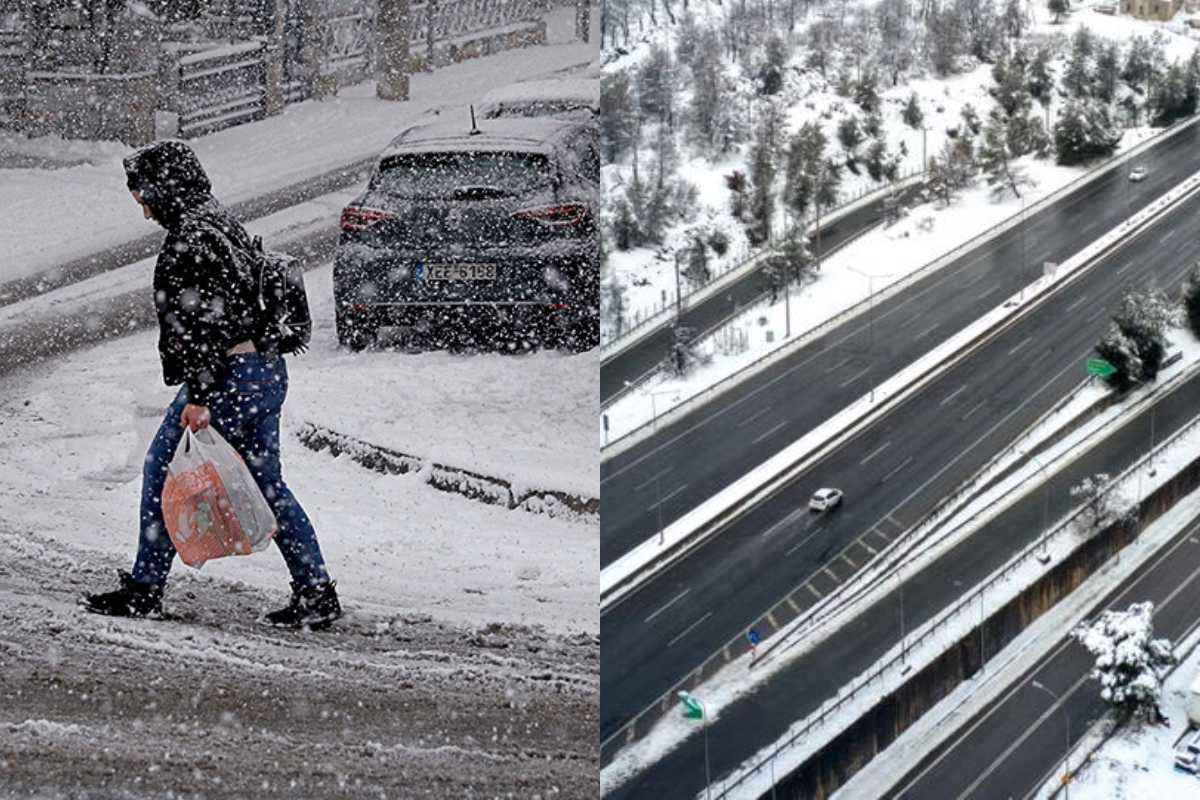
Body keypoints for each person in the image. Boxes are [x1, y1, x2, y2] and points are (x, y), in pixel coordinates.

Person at [82, 140, 341, 629]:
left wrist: (199, 397)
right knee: (267, 485)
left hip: (226, 379)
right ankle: (315, 590)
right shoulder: (217, 220)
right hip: (262, 371)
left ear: (165, 189)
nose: (145, 212)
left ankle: (145, 589)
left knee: (163, 469)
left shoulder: (193, 236)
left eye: (145, 199)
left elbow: (204, 324)